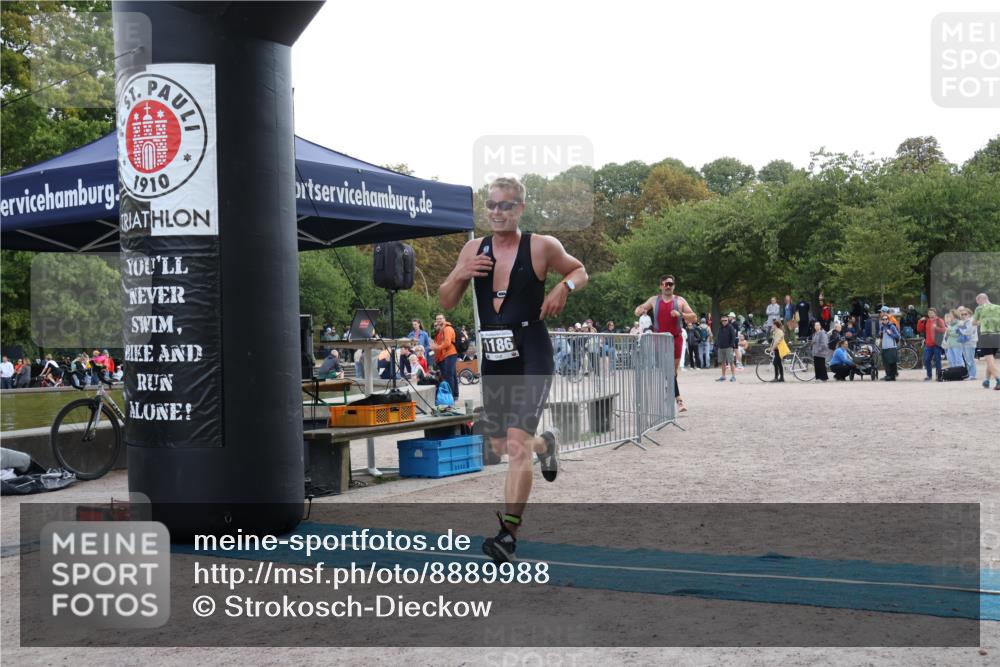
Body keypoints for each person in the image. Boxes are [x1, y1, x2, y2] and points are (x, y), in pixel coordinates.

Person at [439, 175, 587, 564]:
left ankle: (508, 534)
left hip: (532, 352)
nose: (497, 212)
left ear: (520, 208)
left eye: (505, 205)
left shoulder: (541, 246)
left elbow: (579, 271)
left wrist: (562, 288)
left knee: (516, 445)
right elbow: (447, 301)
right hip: (495, 356)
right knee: (501, 446)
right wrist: (460, 273)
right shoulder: (474, 248)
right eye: (491, 205)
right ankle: (546, 445)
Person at [634, 274, 698, 411]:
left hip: (676, 338)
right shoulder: (654, 300)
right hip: (661, 339)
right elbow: (638, 310)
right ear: (660, 286)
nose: (668, 286)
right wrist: (640, 310)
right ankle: (679, 399)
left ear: (674, 286)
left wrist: (681, 314)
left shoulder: (680, 301)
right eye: (665, 284)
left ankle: (670, 392)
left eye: (670, 284)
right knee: (668, 369)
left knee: (673, 371)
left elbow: (694, 317)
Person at [972, 292, 1000, 390]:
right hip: (997, 335)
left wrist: (982, 321)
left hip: (986, 336)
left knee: (990, 360)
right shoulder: (998, 307)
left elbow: (973, 322)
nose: (978, 304)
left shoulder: (979, 308)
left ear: (981, 299)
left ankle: (998, 380)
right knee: (991, 359)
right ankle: (987, 380)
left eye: (977, 302)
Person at [430, 313, 459, 398]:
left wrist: (437, 347)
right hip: (447, 354)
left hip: (450, 353)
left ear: (444, 319)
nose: (438, 320)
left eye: (440, 318)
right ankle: (454, 395)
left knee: (449, 375)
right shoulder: (442, 330)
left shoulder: (447, 329)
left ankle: (451, 396)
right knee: (452, 374)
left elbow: (447, 343)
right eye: (437, 319)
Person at [917, 307, 947, 382]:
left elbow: (943, 329)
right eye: (929, 313)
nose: (930, 314)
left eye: (932, 312)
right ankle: (929, 375)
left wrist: (936, 328)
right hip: (928, 344)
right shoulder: (926, 321)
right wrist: (920, 321)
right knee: (927, 360)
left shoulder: (939, 320)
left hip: (937, 344)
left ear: (935, 313)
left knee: (937, 360)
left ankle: (939, 376)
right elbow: (919, 330)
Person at [876, 312, 901, 381]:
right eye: (883, 319)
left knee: (892, 362)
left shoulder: (892, 326)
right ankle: (888, 375)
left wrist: (891, 334)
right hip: (884, 347)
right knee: (886, 362)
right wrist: (879, 334)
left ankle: (892, 376)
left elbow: (898, 336)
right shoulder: (881, 327)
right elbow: (879, 336)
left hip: (891, 347)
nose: (884, 320)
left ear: (888, 319)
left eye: (886, 319)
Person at [956, 306, 978, 381]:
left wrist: (960, 330)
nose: (964, 315)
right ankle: (970, 374)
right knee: (966, 359)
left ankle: (972, 375)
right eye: (962, 314)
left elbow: (968, 331)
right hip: (964, 342)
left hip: (970, 342)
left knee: (970, 359)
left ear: (969, 314)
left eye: (965, 314)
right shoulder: (964, 322)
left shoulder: (971, 321)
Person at [715, 314, 739, 382]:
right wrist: (718, 344)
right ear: (721, 321)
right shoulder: (720, 328)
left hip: (728, 347)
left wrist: (731, 345)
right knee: (722, 362)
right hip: (721, 347)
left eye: (725, 320)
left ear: (728, 320)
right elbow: (718, 336)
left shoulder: (731, 327)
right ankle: (723, 376)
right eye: (723, 320)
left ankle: (733, 376)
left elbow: (733, 337)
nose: (724, 322)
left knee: (731, 362)